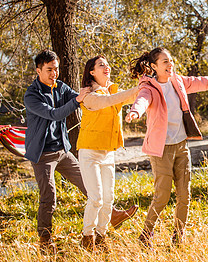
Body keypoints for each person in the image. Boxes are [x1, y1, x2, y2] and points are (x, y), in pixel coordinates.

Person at [24, 50, 138, 254]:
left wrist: (89, 93)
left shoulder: (60, 87)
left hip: (62, 150)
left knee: (90, 187)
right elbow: (54, 114)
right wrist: (77, 101)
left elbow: (81, 96)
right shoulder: (32, 95)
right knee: (49, 196)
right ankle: (45, 239)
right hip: (42, 153)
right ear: (38, 70)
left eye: (56, 69)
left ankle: (109, 219)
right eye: (49, 70)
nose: (54, 74)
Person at [125, 47, 208, 247]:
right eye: (165, 62)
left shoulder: (179, 82)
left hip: (181, 145)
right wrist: (135, 112)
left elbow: (204, 82)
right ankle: (146, 235)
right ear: (154, 66)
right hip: (162, 149)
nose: (170, 65)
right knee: (163, 196)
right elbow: (142, 101)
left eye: (171, 60)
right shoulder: (148, 87)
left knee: (185, 195)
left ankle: (178, 236)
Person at [77, 55, 139, 250]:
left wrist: (147, 83)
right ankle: (87, 238)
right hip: (89, 153)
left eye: (107, 64)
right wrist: (137, 89)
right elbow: (110, 100)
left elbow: (130, 97)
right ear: (92, 72)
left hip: (108, 153)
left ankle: (101, 236)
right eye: (101, 65)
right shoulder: (88, 96)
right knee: (96, 198)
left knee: (108, 199)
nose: (107, 67)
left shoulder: (114, 91)